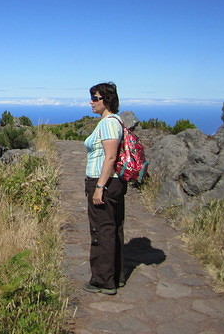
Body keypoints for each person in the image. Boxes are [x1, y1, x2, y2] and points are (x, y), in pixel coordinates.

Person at [82, 82, 126, 295]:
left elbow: (110, 157)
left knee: (102, 230)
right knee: (113, 228)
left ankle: (102, 281)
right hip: (113, 183)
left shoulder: (108, 123)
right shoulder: (114, 121)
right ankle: (117, 276)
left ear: (106, 100)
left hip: (104, 182)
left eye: (95, 98)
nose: (91, 102)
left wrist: (99, 187)